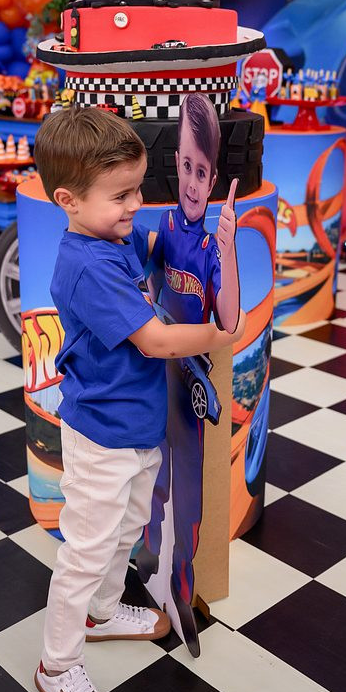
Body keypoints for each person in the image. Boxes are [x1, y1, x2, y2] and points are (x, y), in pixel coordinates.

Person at [32, 106, 245, 692]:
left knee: (126, 528)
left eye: (137, 189)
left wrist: (197, 239)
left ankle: (101, 613)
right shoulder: (86, 265)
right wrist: (219, 334)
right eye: (121, 196)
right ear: (69, 201)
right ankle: (56, 666)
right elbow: (153, 341)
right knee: (86, 552)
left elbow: (153, 246)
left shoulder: (111, 235)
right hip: (103, 433)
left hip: (138, 426)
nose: (135, 206)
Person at [137, 93, 239, 655]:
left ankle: (182, 584)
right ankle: (148, 560)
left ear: (213, 177)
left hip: (193, 383)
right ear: (176, 165)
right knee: (153, 476)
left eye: (203, 172)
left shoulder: (209, 243)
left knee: (191, 494)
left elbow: (229, 320)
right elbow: (149, 277)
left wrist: (228, 251)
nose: (194, 182)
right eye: (187, 168)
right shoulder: (165, 223)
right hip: (160, 374)